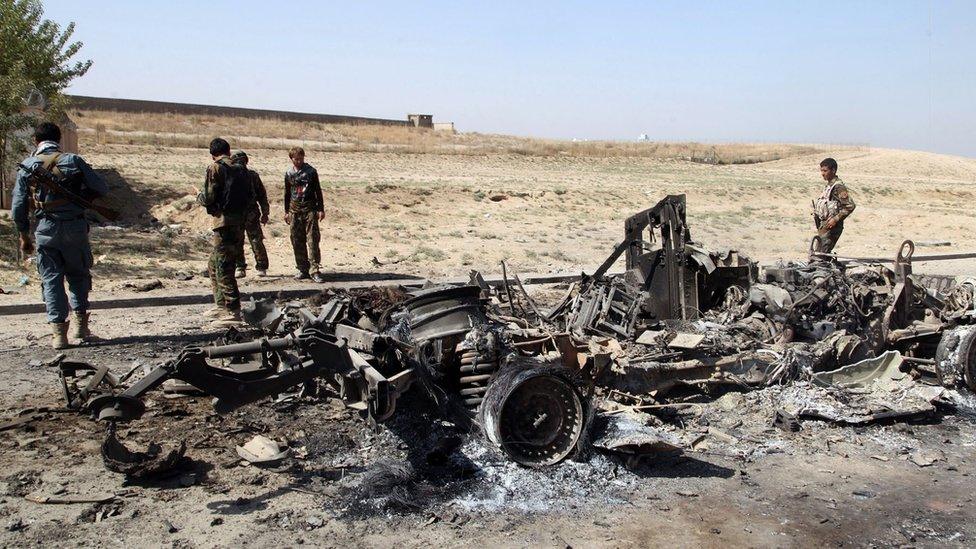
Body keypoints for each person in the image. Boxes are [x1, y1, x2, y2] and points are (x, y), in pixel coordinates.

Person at [11, 122, 108, 349]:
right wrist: (81, 199)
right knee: (78, 275)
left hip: (46, 228)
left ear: (36, 141)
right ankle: (82, 329)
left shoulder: (28, 165)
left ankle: (59, 336)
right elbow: (101, 188)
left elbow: (18, 206)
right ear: (59, 139)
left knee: (51, 279)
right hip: (75, 228)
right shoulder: (73, 161)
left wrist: (24, 235)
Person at [198, 138, 250, 324]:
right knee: (214, 264)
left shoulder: (216, 168)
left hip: (224, 223)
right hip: (238, 222)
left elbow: (209, 196)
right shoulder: (240, 169)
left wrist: (199, 198)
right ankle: (221, 305)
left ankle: (233, 311)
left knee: (224, 267)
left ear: (213, 154)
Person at [284, 146, 325, 282]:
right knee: (296, 240)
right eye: (296, 159)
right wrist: (286, 212)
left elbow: (317, 191)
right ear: (291, 159)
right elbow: (287, 194)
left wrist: (320, 209)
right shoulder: (289, 173)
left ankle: (315, 270)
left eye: (301, 159)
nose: (299, 161)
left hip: (310, 209)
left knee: (312, 240)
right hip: (294, 210)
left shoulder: (311, 172)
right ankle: (302, 268)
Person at [230, 151, 270, 278]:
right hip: (237, 213)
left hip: (251, 213)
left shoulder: (253, 176)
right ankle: (240, 266)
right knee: (238, 241)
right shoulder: (231, 176)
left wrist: (265, 213)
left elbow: (262, 195)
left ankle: (261, 266)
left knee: (256, 241)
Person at [812, 157, 856, 254]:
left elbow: (850, 206)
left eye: (825, 170)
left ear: (833, 170)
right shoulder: (829, 186)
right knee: (819, 254)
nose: (822, 173)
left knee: (820, 255)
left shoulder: (838, 187)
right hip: (825, 226)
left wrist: (835, 219)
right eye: (821, 170)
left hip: (832, 228)